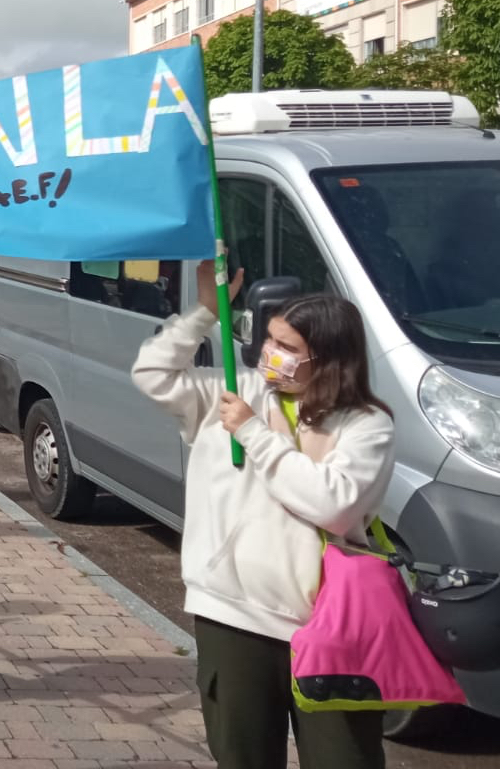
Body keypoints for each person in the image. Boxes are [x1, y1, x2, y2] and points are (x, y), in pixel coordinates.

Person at [132, 261, 396, 769]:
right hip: (232, 617)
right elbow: (152, 375)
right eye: (270, 340)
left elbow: (334, 505)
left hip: (332, 624)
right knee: (243, 756)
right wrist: (206, 313)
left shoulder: (366, 425)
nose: (270, 354)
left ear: (330, 360)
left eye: (289, 348)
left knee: (347, 759)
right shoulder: (234, 391)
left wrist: (254, 434)